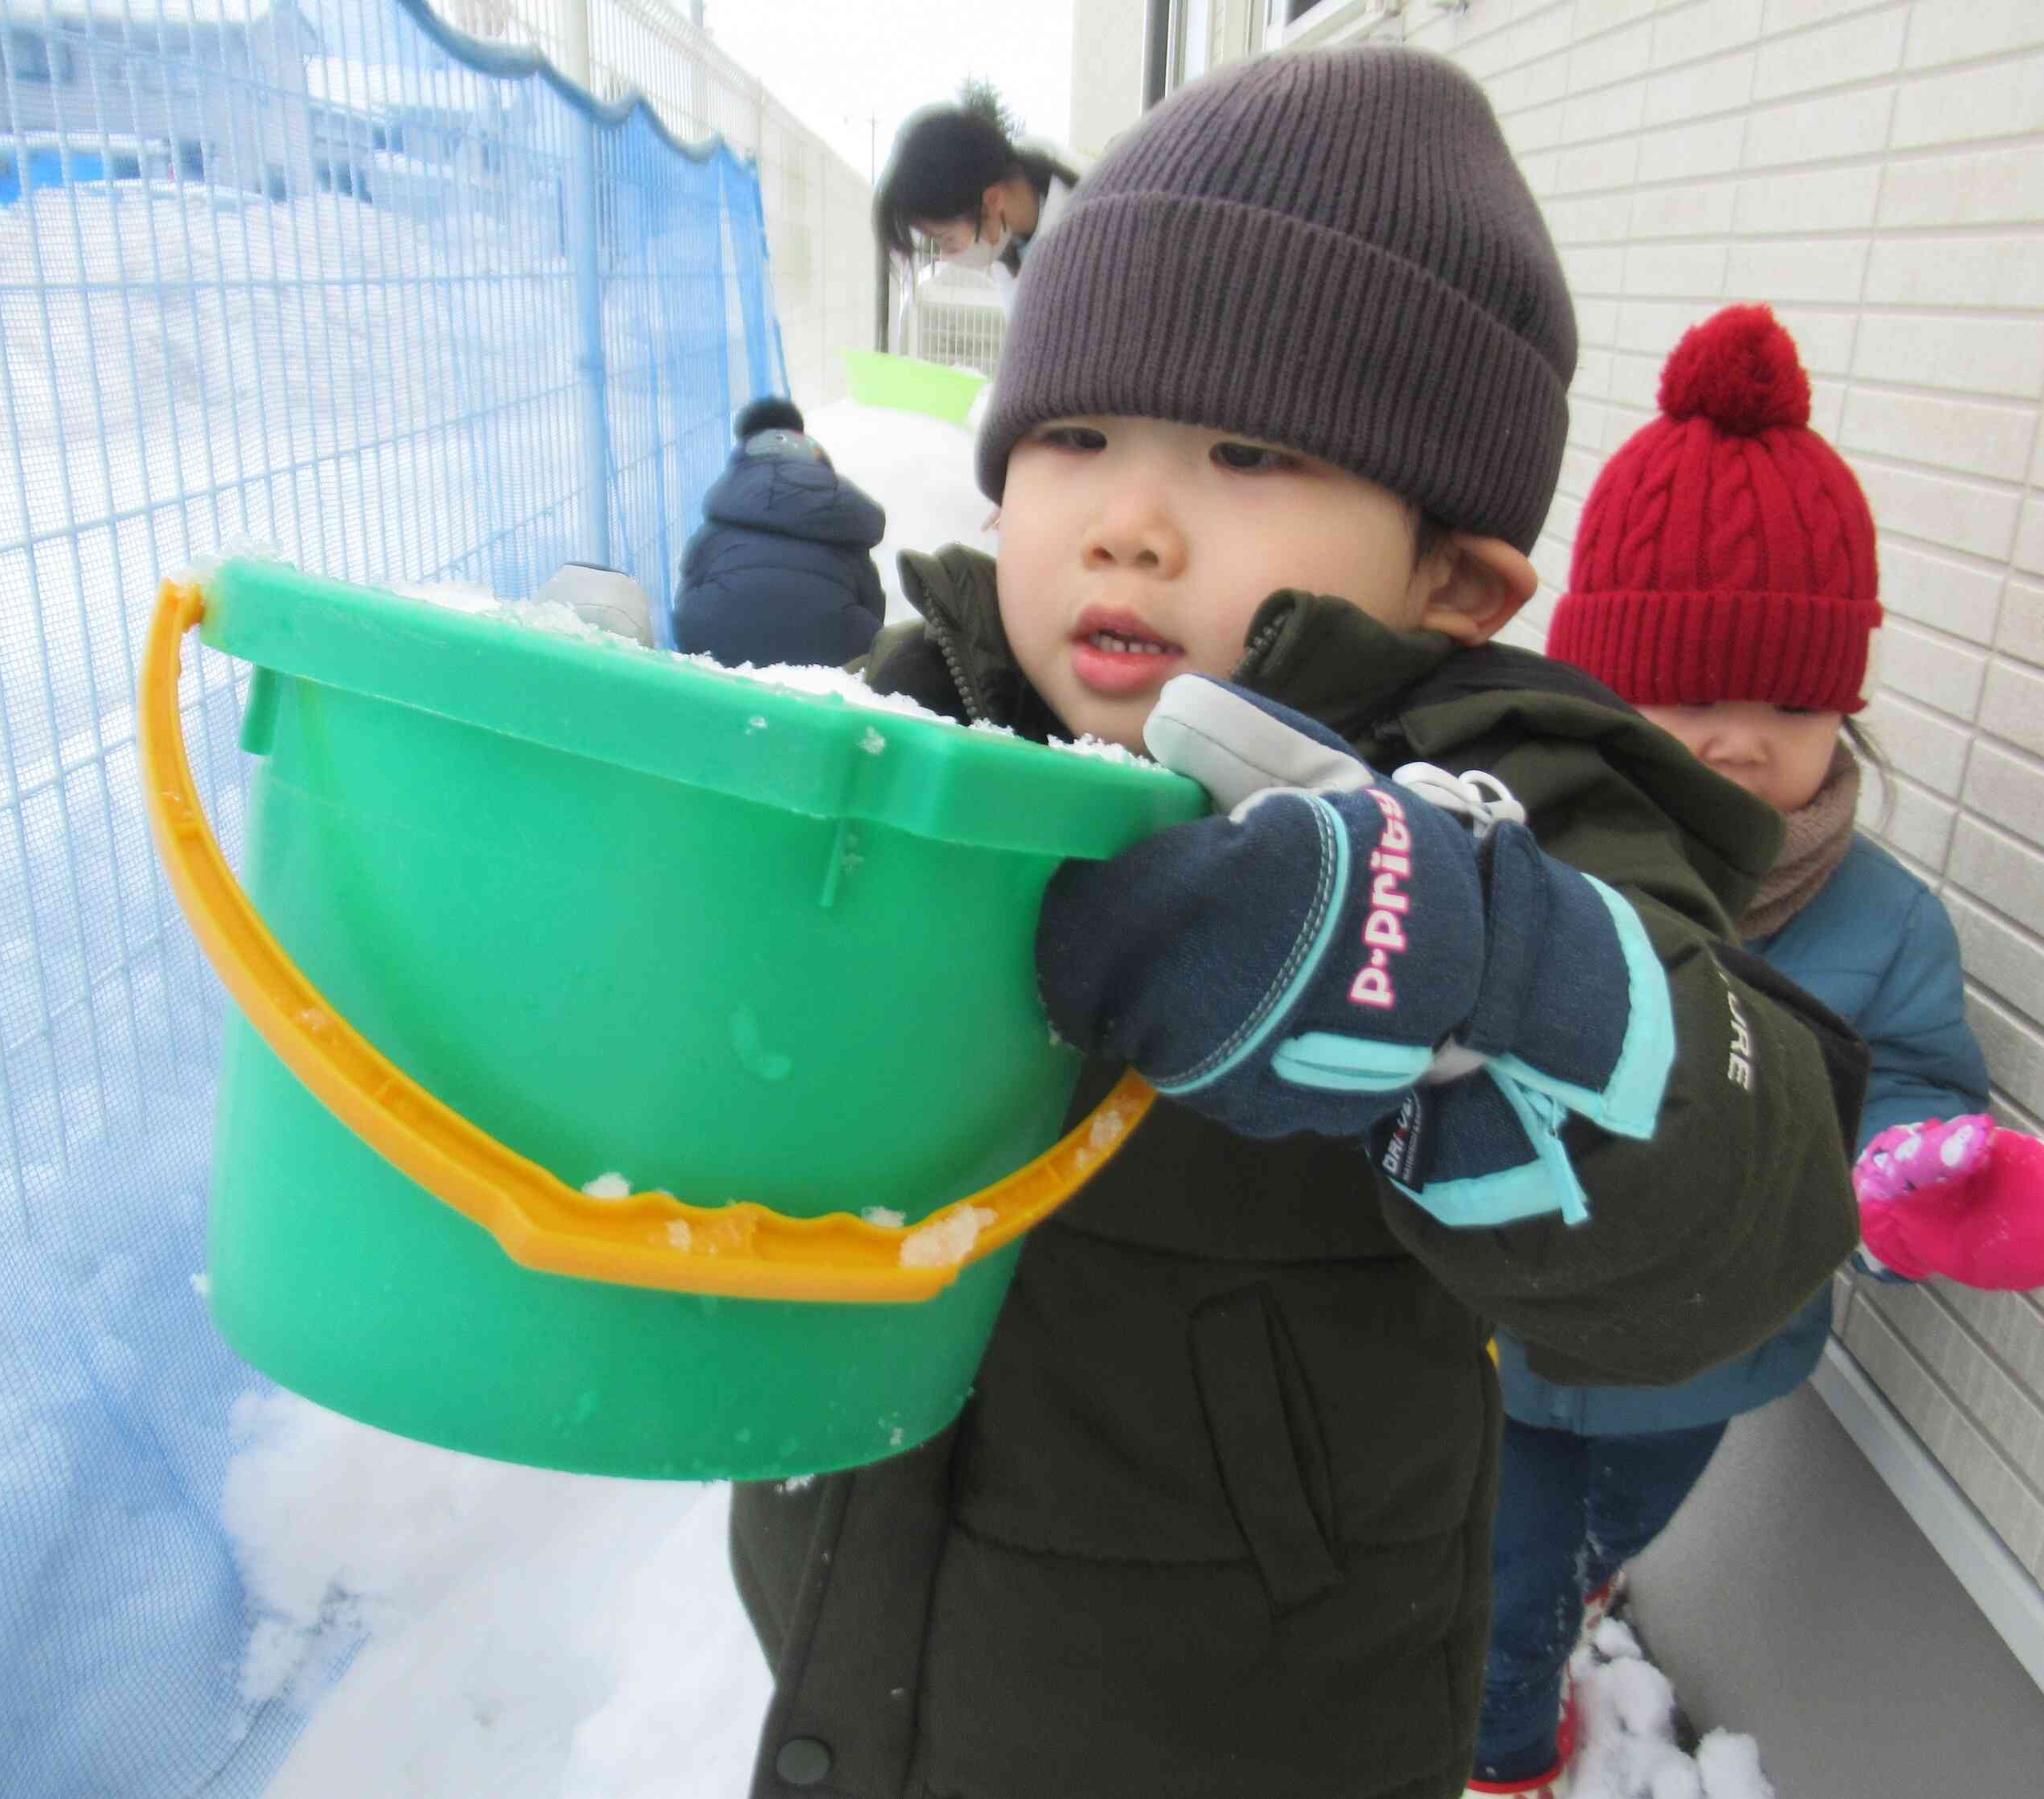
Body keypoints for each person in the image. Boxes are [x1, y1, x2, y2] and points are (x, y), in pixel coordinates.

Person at [731, 54, 1874, 1799]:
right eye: (1077, 437)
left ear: (1454, 581)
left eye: (1248, 452)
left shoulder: (1509, 804)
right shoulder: (928, 722)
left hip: (1249, 1718)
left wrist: (1473, 958)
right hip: (869, 1625)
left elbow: (1753, 1197)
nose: (1129, 516)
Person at [1468, 305, 2044, 1799]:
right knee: (1501, 1592)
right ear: (1599, 688)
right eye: (1686, 696)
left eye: (1789, 704)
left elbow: (1919, 1076)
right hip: (1497, 1338)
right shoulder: (1513, 858)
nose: (1737, 743)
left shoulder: (1880, 925)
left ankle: (1584, 1588)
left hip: (1706, 1358)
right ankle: (1497, 1757)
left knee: (1614, 1525)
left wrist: (1907, 1170)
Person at [671, 397, 888, 670]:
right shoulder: (838, 502)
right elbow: (872, 602)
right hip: (835, 653)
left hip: (716, 640)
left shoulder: (729, 496)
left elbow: (690, 581)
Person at [872, 94, 1080, 310]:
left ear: (991, 201)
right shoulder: (1017, 247)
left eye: (947, 239)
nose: (946, 256)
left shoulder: (1082, 247)